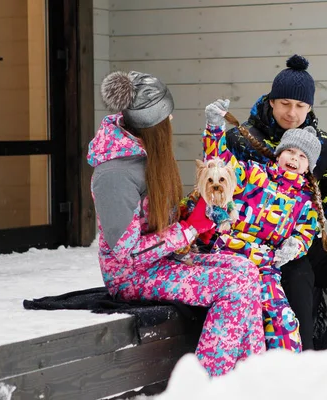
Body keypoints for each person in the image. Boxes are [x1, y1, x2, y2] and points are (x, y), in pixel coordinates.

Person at [87, 71, 265, 376]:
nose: (171, 123)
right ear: (151, 124)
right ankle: (207, 385)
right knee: (232, 286)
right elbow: (127, 255)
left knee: (245, 268)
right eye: (165, 118)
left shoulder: (145, 156)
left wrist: (190, 211)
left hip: (164, 261)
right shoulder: (114, 175)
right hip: (132, 277)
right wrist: (190, 228)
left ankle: (249, 379)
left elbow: (156, 221)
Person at [224, 55, 327, 350]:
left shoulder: (320, 144)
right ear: (272, 101)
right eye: (285, 103)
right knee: (298, 274)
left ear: (310, 106)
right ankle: (303, 358)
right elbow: (218, 190)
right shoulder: (241, 139)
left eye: (300, 106)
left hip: (304, 238)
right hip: (259, 248)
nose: (292, 112)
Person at [191, 98, 327, 352]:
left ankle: (283, 376)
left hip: (266, 266)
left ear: (308, 168)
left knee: (283, 321)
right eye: (290, 152)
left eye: (302, 157)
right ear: (280, 153)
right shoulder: (253, 173)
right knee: (246, 316)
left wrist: (295, 245)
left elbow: (305, 232)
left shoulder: (305, 201)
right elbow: (219, 166)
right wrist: (215, 127)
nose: (294, 158)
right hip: (231, 256)